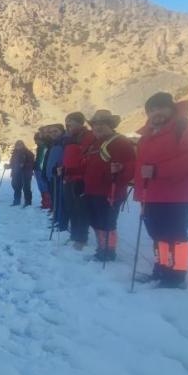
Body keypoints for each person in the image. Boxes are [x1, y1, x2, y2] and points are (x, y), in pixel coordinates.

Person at [134, 93, 188, 288]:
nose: (156, 113)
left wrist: (158, 171)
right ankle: (161, 269)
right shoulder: (148, 134)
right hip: (151, 193)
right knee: (157, 235)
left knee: (176, 236)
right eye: (151, 110)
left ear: (172, 108)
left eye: (161, 107)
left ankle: (176, 276)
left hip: (179, 193)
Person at [83, 110, 136, 262]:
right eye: (95, 124)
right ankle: (102, 248)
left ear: (110, 125)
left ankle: (109, 251)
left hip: (110, 191)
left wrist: (121, 169)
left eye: (102, 124)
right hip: (92, 190)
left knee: (107, 222)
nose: (97, 127)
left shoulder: (120, 142)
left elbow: (131, 166)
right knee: (96, 221)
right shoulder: (95, 143)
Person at [62, 112, 96, 250]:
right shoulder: (70, 137)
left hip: (80, 179)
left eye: (72, 122)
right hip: (69, 177)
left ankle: (81, 238)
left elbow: (87, 159)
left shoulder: (88, 136)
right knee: (71, 208)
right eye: (67, 122)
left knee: (81, 210)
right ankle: (74, 235)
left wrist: (77, 173)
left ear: (80, 122)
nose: (69, 125)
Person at [45, 124, 68, 231]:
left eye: (55, 131)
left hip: (59, 175)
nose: (53, 134)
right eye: (51, 132)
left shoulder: (64, 142)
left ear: (62, 131)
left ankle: (62, 223)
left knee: (60, 200)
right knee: (55, 199)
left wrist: (59, 168)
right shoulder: (53, 143)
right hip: (52, 175)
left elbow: (64, 158)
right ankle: (58, 219)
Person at [7, 140, 35, 207]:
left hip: (26, 173)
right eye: (17, 145)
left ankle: (28, 202)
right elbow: (13, 163)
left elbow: (32, 163)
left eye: (20, 144)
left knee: (26, 188)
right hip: (16, 173)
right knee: (15, 186)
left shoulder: (28, 153)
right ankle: (17, 201)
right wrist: (8, 166)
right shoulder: (14, 153)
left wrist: (24, 164)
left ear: (23, 145)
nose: (18, 146)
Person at [34, 132, 52, 209]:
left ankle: (47, 204)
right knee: (41, 187)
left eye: (37, 140)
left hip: (41, 170)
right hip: (38, 170)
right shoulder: (39, 147)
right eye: (35, 140)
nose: (36, 142)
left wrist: (41, 169)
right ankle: (44, 203)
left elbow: (42, 160)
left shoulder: (44, 147)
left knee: (44, 187)